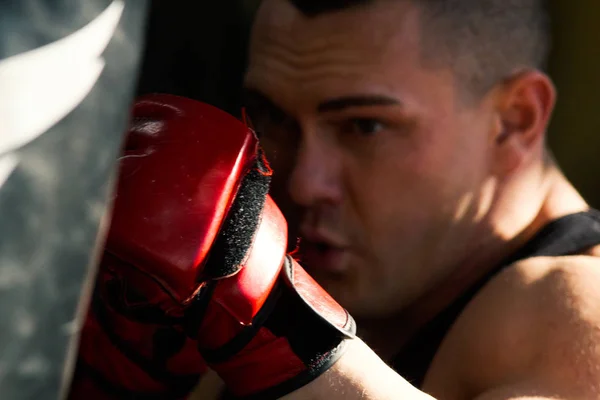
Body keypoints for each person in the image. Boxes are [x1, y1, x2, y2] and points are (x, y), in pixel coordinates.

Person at [226, 0, 600, 398]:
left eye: (364, 126)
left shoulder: (571, 309)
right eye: (273, 117)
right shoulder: (397, 284)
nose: (303, 183)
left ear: (514, 121)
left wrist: (283, 350)